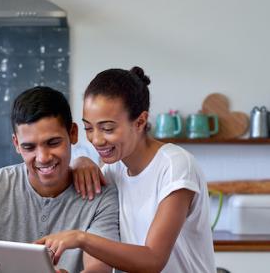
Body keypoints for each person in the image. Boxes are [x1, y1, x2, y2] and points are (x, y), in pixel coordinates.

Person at [37, 67, 216, 273]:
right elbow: (105, 248)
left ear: (140, 122)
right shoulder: (113, 169)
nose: (96, 139)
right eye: (89, 128)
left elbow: (153, 260)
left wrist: (80, 238)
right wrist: (81, 160)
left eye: (107, 128)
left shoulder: (175, 167)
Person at [0, 86, 119, 273]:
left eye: (53, 143)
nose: (43, 157)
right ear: (16, 144)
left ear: (73, 134)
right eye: (29, 147)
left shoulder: (100, 195)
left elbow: (99, 268)